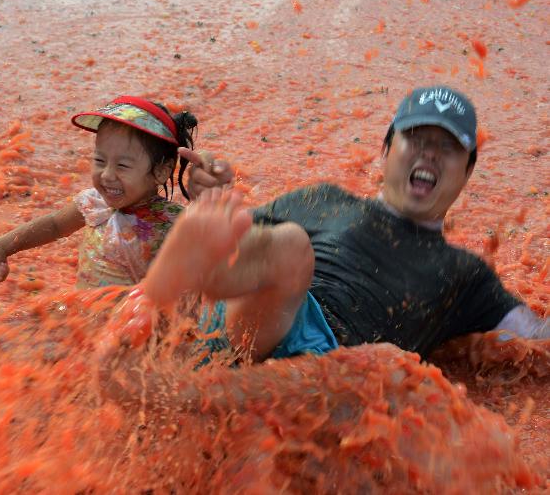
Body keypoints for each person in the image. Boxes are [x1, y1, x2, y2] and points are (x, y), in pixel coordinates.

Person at [168, 85, 548, 362]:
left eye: (447, 147)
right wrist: (211, 200)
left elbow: (537, 338)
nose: (430, 153)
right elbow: (243, 245)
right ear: (385, 150)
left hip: (324, 357)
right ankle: (164, 296)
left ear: (467, 173)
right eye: (415, 138)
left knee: (287, 249)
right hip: (246, 313)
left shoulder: (466, 276)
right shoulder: (322, 198)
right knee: (278, 245)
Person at [0, 96, 198, 289]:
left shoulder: (174, 224)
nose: (107, 174)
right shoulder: (94, 203)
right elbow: (54, 225)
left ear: (161, 171)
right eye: (100, 160)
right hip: (88, 319)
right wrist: (2, 247)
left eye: (122, 166)